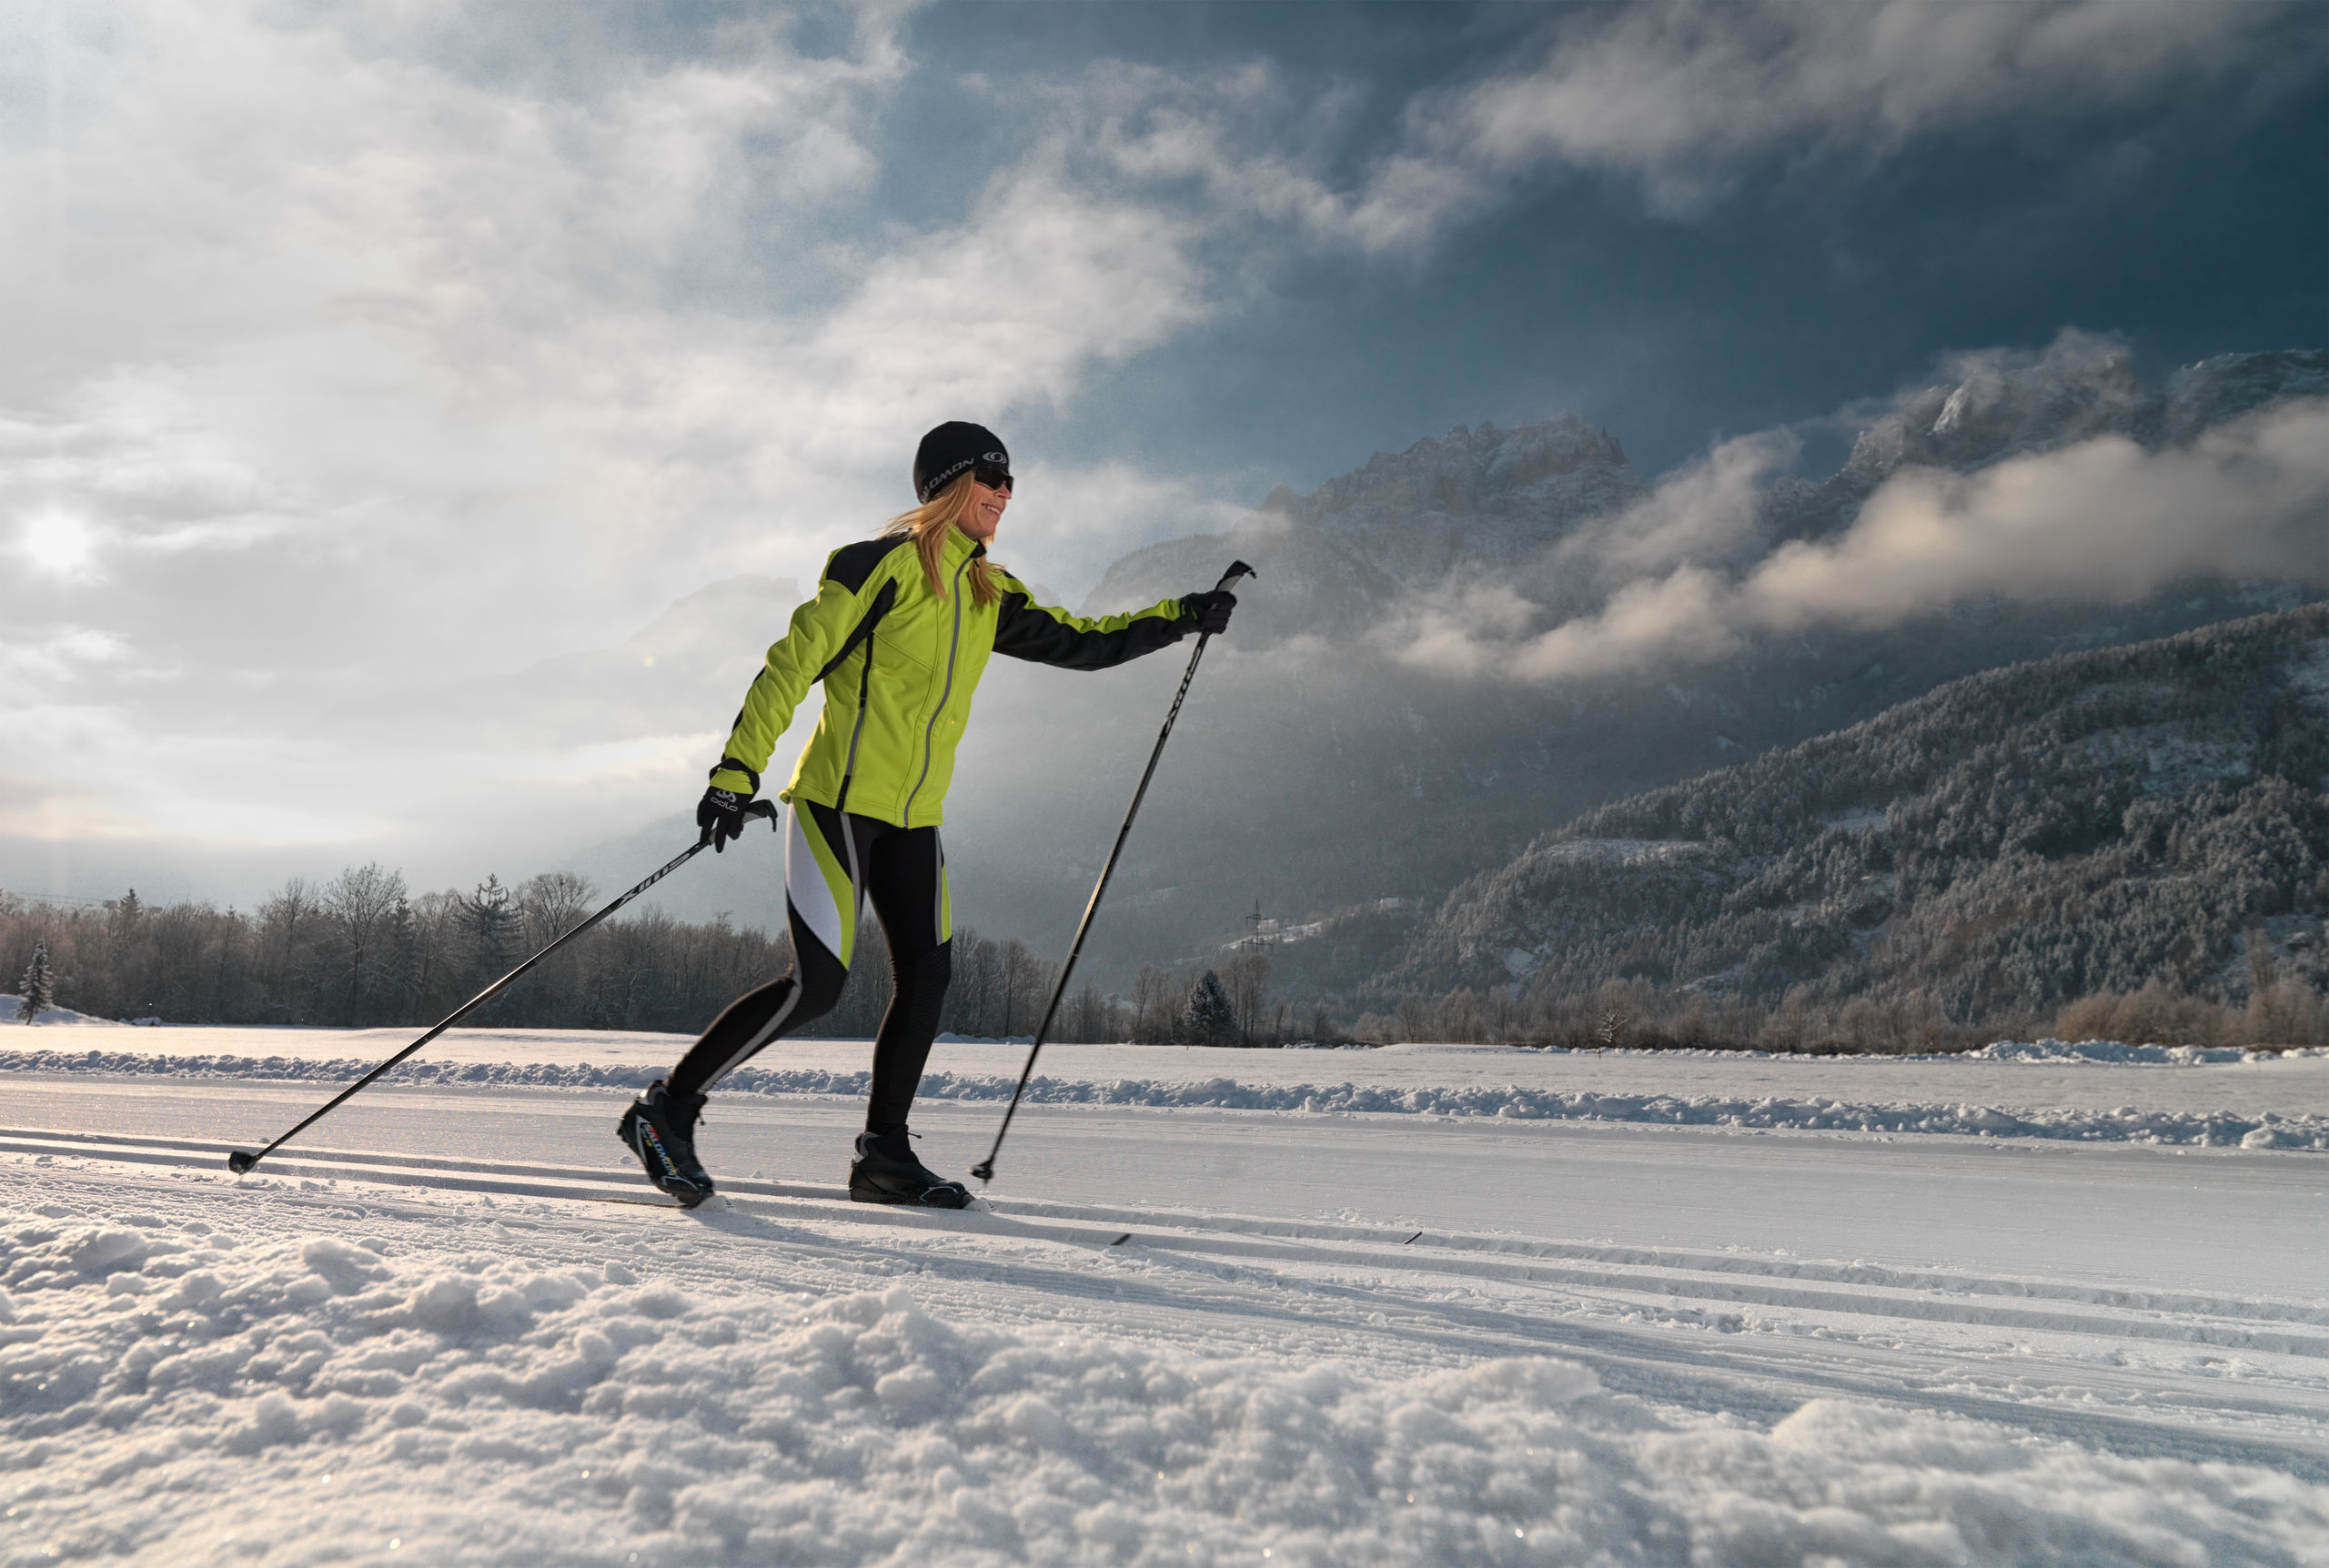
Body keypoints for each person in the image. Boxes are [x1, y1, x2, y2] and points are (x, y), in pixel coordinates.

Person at [618, 421, 1236, 1209]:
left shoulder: (988, 592)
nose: (1007, 494)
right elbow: (793, 662)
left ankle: (883, 1157)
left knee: (929, 976)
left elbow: (1083, 642)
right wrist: (738, 770)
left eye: (1011, 482)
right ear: (950, 484)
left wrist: (1182, 615)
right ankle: (664, 1111)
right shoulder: (876, 567)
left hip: (915, 819)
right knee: (817, 985)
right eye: (993, 478)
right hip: (837, 806)